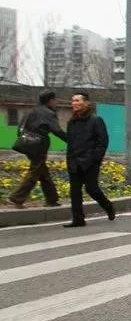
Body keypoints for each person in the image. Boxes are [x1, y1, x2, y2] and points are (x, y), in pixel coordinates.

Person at [7, 90, 67, 208]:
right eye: (55, 100)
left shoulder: (30, 111)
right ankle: (16, 198)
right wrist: (71, 141)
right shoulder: (48, 113)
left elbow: (20, 128)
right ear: (50, 101)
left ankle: (52, 199)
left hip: (27, 144)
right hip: (39, 145)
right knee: (35, 171)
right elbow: (57, 131)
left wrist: (26, 140)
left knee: (42, 171)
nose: (56, 102)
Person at [64, 92, 115, 227]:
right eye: (73, 101)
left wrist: (95, 159)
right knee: (74, 192)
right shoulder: (72, 122)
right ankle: (78, 219)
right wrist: (69, 160)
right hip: (74, 162)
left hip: (90, 162)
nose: (74, 103)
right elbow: (70, 143)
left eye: (77, 100)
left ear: (86, 103)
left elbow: (103, 141)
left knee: (92, 189)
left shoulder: (96, 120)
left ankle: (108, 206)